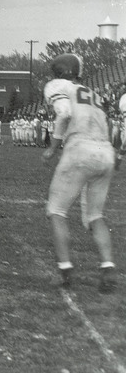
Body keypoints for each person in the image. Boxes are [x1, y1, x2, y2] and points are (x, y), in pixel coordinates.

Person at [42, 53, 116, 293]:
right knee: (95, 215)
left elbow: (63, 113)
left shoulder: (58, 86)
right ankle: (107, 267)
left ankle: (65, 270)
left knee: (56, 211)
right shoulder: (92, 93)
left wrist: (53, 148)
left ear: (59, 72)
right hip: (105, 151)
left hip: (81, 148)